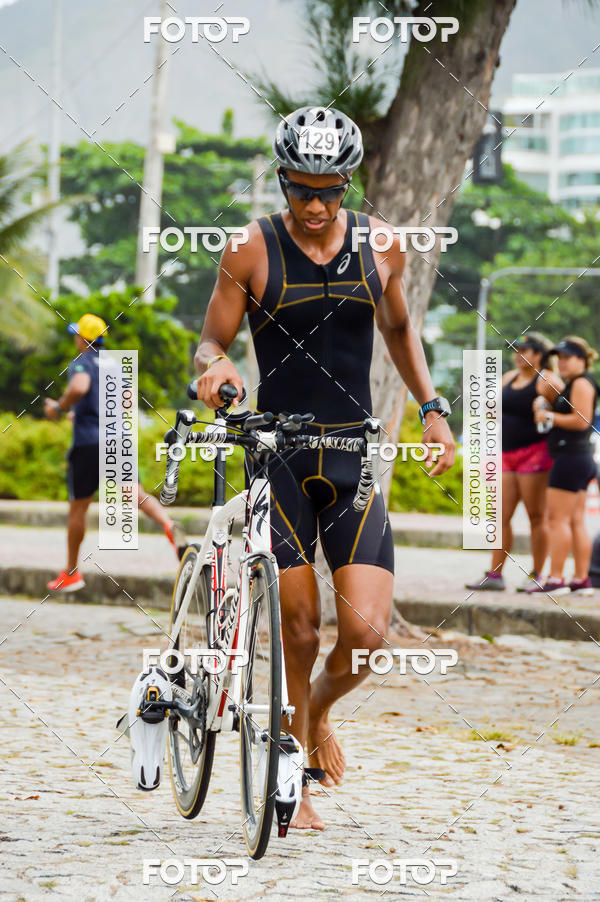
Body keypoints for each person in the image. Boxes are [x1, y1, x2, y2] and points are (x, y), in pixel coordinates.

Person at [193, 106, 455, 829]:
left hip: (351, 456)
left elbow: (400, 329)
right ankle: (295, 773)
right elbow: (209, 344)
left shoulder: (383, 247)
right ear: (282, 182)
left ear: (349, 184)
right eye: (300, 189)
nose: (314, 206)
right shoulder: (249, 249)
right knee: (301, 631)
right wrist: (213, 375)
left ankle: (317, 716)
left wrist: (432, 407)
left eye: (328, 191)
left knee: (367, 636)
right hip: (276, 455)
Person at [43, 314, 187, 592]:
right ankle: (169, 525)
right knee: (133, 491)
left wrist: (59, 409)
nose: (75, 339)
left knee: (78, 506)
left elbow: (80, 387)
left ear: (83, 340)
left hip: (88, 443)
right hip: (117, 437)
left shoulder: (82, 362)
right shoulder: (116, 364)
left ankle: (72, 572)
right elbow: (127, 400)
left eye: (77, 335)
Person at [466, 333, 562, 592]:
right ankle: (495, 575)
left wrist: (545, 411)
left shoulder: (547, 381)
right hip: (506, 454)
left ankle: (538, 575)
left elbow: (566, 412)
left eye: (524, 350)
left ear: (539, 355)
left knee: (535, 515)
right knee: (500, 516)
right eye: (516, 350)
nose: (518, 355)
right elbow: (491, 408)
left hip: (535, 453)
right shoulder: (509, 378)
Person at [527, 336, 599, 595]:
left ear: (583, 359)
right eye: (560, 358)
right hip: (579, 457)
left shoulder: (581, 383)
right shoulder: (576, 383)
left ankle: (556, 579)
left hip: (570, 458)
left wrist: (548, 415)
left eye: (569, 357)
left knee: (557, 520)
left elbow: (581, 421)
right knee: (576, 521)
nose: (563, 363)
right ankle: (581, 580)